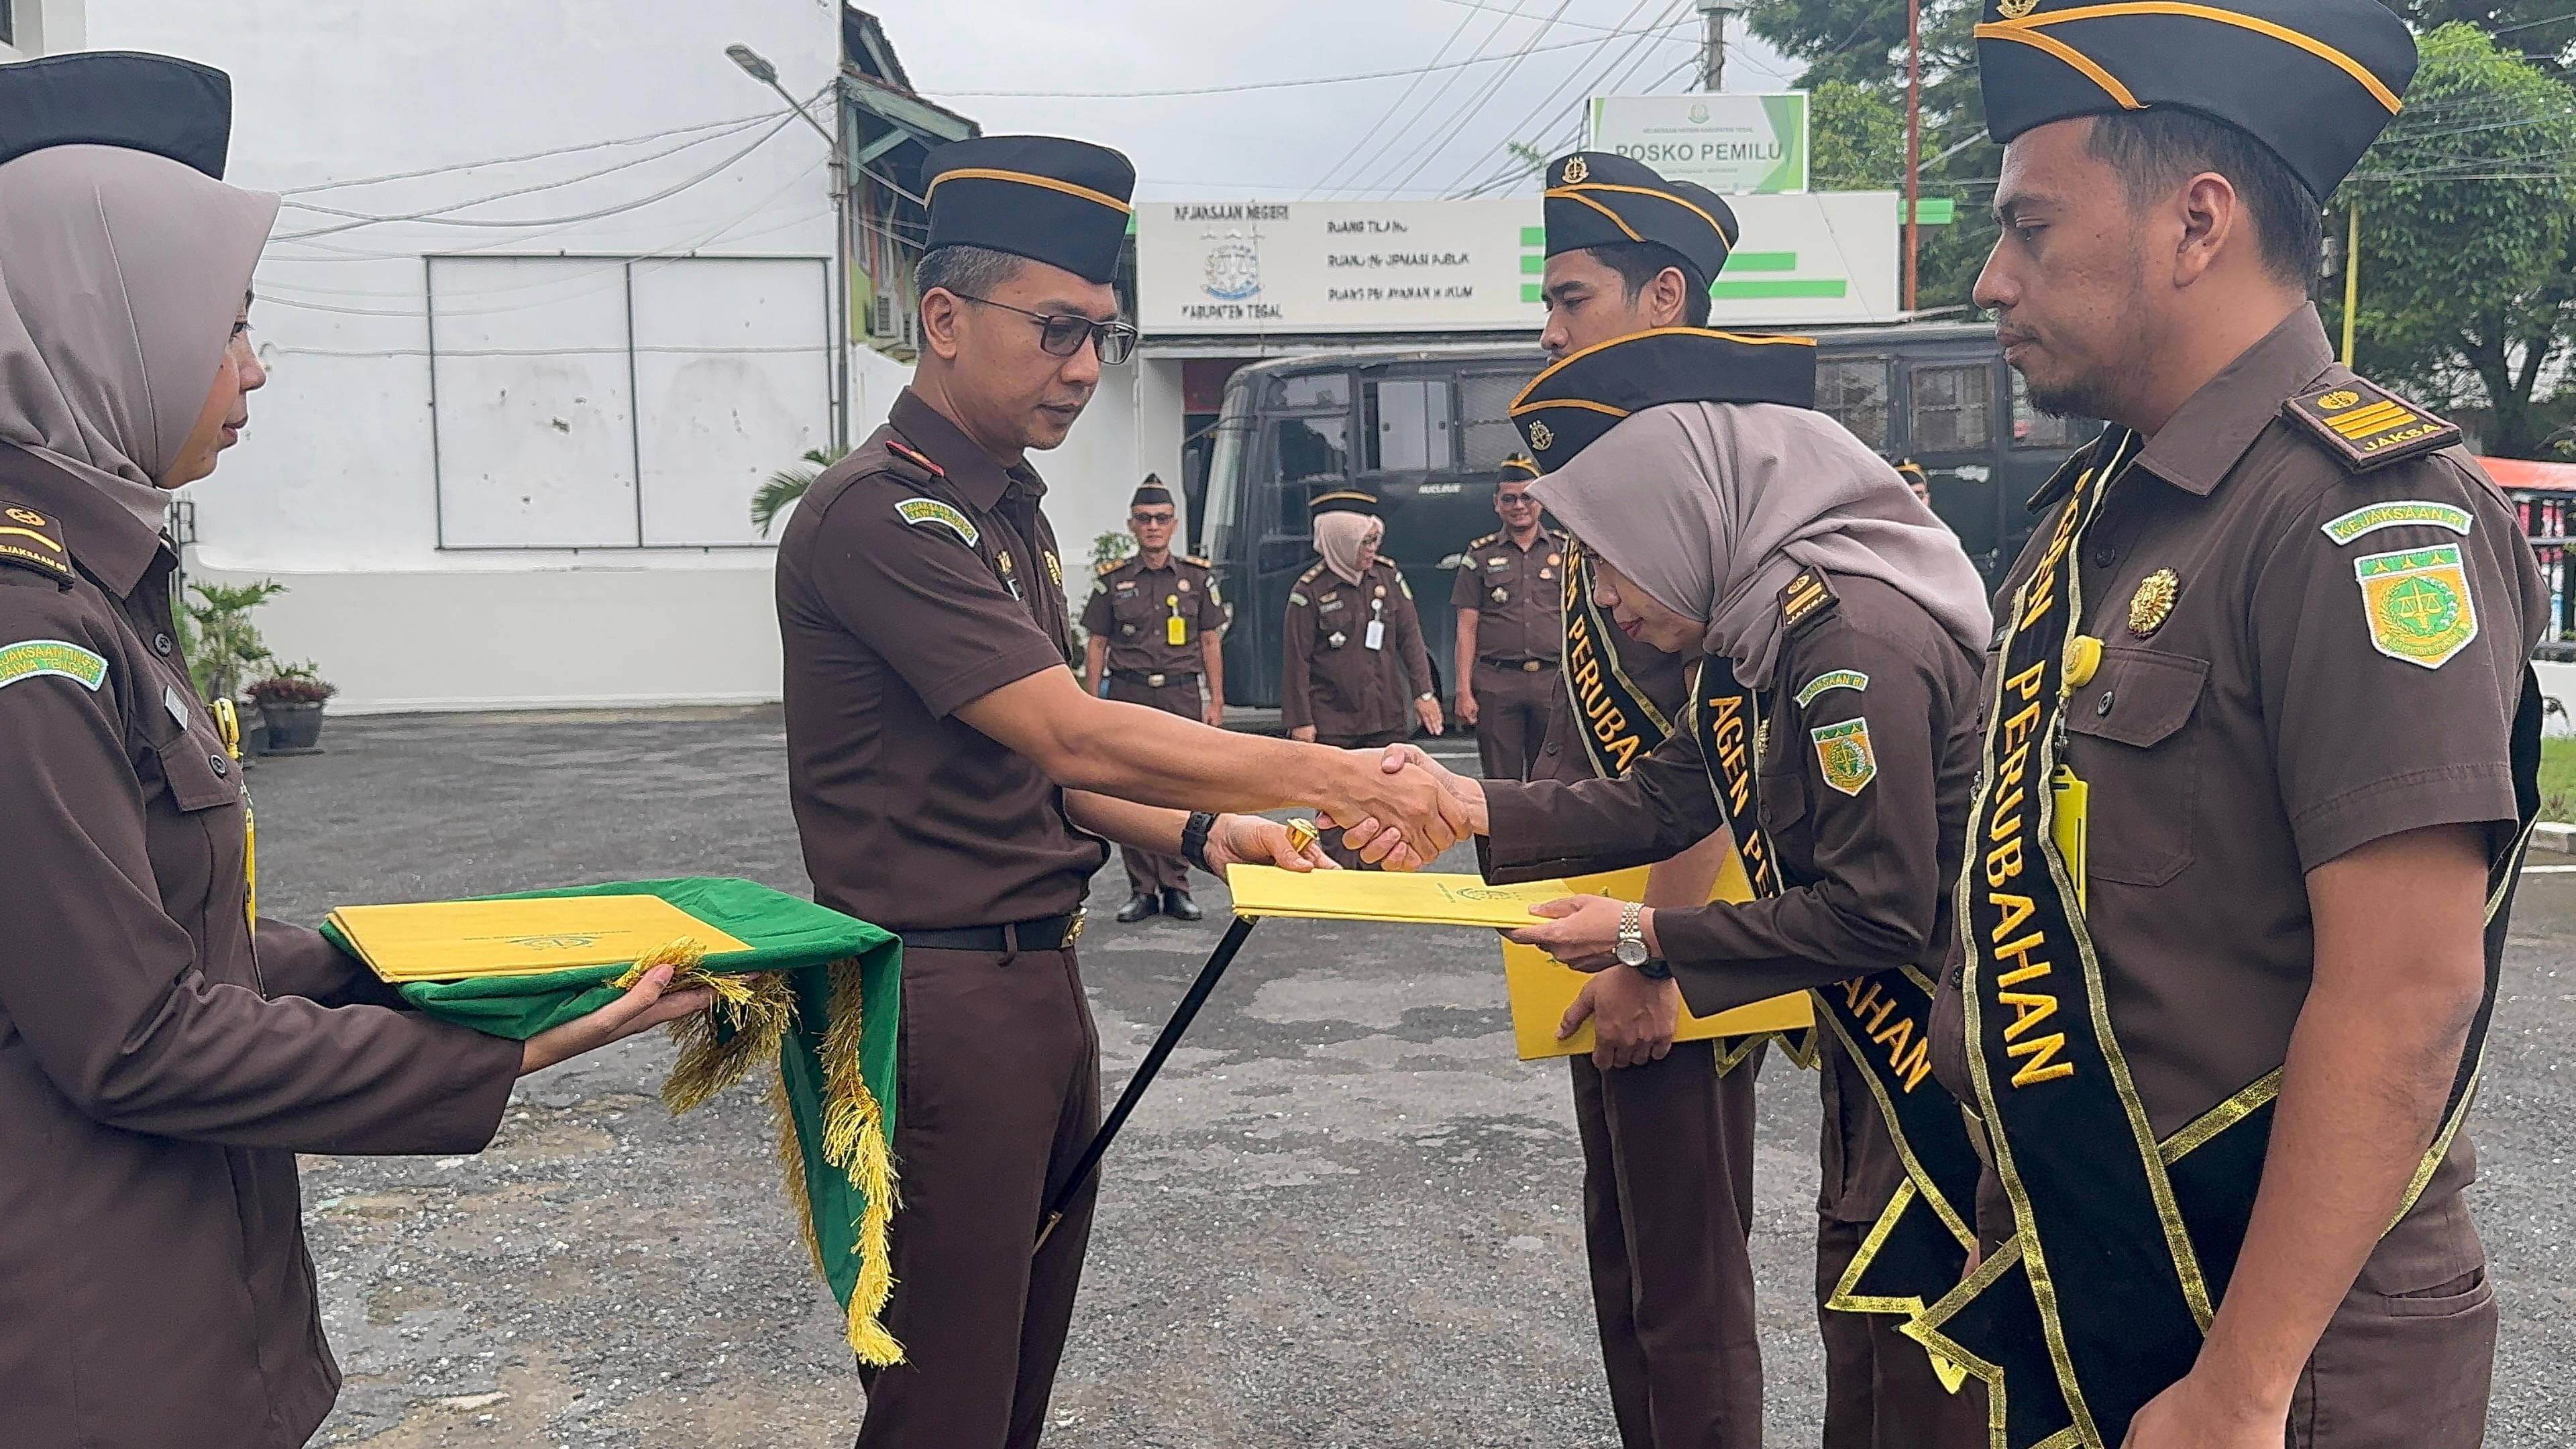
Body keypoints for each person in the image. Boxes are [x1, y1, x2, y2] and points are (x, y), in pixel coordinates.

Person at [0, 54, 714, 1449]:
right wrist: (499, 1058)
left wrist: (471, 961)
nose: (257, 365)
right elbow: (134, 1036)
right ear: (108, 327)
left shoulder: (99, 594)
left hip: (200, 1305)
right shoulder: (29, 638)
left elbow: (179, 945)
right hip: (93, 1350)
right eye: (227, 324)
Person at [1905, 3, 2546, 1446]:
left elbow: (2406, 986)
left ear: (2197, 223)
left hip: (2277, 1349)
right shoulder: (2096, 521)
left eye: (2030, 228)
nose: (1991, 278)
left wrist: (2244, 1389)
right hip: (2093, 1285)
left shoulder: (2360, 511)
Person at [771, 134, 1464, 1449]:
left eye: (1101, 332)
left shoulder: (1003, 516)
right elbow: (1072, 733)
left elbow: (1046, 779)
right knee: (944, 1404)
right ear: (944, 319)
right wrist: (1333, 772)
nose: (1086, 366)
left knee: (1011, 1383)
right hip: (938, 1005)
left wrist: (1220, 831)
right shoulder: (881, 518)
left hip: (1037, 986)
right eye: (1056, 330)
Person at [1417, 306, 1996, 1449]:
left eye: (1610, 552)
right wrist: (1464, 803)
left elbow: (1876, 908)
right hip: (1874, 1078)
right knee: (1868, 1366)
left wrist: (1649, 938)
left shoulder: (1849, 645)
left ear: (1681, 515)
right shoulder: (1753, 634)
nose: (1605, 593)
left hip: (1946, 1075)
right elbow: (1669, 796)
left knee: (1924, 1389)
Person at [1081, 476, 1228, 922]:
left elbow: (1210, 642)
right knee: (1131, 789)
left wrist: (1215, 701)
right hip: (1129, 692)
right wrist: (1090, 706)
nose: (1153, 527)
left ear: (1174, 525)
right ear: (1132, 525)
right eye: (1144, 519)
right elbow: (1097, 646)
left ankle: (1177, 887)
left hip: (1181, 694)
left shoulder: (1196, 579)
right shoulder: (1114, 582)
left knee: (1179, 788)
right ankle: (1142, 889)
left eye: (1161, 519)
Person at [1281, 489, 1442, 753]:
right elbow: (1296, 662)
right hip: (1333, 725)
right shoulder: (1308, 592)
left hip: (1386, 717)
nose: (1372, 549)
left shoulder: (1388, 577)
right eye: (1364, 542)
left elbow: (1411, 638)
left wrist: (1423, 693)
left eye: (1375, 540)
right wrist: (1300, 721)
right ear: (1340, 542)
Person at [1450, 455, 1565, 783]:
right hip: (1497, 685)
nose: (1519, 506)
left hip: (1552, 682)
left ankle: (1550, 838)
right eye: (1509, 499)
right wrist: (1463, 690)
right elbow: (1466, 628)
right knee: (1500, 784)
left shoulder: (1566, 551)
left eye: (1527, 496)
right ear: (1496, 504)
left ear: (1540, 500)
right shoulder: (1479, 556)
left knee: (1553, 781)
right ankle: (1499, 839)